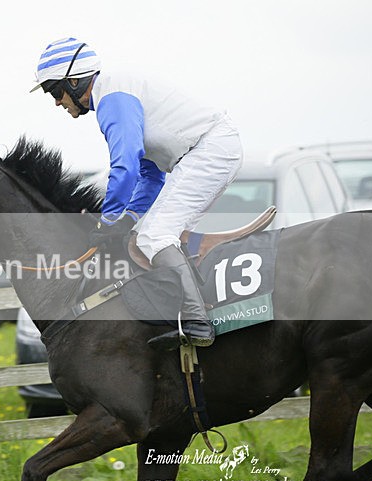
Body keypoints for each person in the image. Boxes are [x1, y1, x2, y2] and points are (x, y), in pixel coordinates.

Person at [32, 37, 243, 349]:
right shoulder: (115, 94)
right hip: (207, 150)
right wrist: (127, 218)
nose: (56, 102)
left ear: (74, 82)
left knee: (154, 237)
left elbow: (125, 166)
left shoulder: (112, 99)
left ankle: (196, 321)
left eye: (54, 91)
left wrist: (108, 220)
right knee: (151, 236)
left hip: (208, 150)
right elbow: (150, 175)